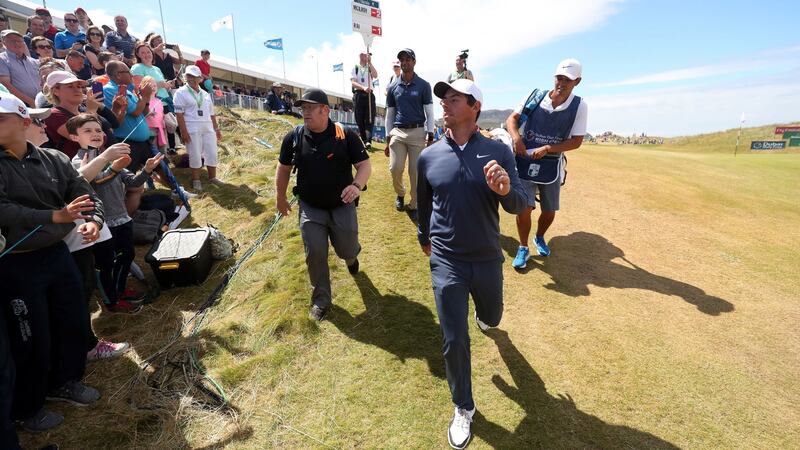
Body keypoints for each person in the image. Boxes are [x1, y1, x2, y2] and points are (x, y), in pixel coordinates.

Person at [416, 79, 527, 449]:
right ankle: (463, 407)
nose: (445, 104)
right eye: (443, 99)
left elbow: (520, 202)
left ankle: (485, 316)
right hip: (446, 260)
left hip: (486, 258)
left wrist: (506, 190)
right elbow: (424, 203)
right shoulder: (429, 155)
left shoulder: (497, 152)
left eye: (453, 98)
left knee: (492, 318)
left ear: (474, 106)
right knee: (453, 338)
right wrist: (424, 238)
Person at [0, 93, 103, 432]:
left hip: (57, 256)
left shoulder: (55, 158)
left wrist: (94, 222)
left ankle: (66, 381)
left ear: (23, 121)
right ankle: (26, 409)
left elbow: (83, 193)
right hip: (16, 266)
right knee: (31, 337)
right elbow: (5, 210)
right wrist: (55, 215)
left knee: (72, 319)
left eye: (1, 118)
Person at [274, 88, 371, 321]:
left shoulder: (345, 135)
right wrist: (280, 197)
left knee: (346, 248)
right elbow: (284, 168)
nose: (305, 113)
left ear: (325, 110)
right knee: (315, 252)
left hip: (342, 205)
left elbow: (365, 166)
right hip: (310, 207)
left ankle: (351, 257)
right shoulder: (294, 137)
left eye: (310, 108)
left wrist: (356, 185)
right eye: (303, 108)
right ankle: (321, 300)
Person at [507, 58, 588, 267]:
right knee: (524, 207)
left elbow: (576, 141)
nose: (561, 83)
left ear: (577, 81)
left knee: (549, 210)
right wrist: (516, 138)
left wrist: (549, 148)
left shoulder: (579, 106)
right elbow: (512, 120)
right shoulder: (535, 97)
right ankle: (523, 247)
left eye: (567, 80)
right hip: (525, 160)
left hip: (551, 163)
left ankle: (540, 236)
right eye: (559, 78)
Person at [384, 48, 434, 220]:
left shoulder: (424, 85)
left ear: (414, 62)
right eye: (402, 60)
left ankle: (415, 203)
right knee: (395, 168)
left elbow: (429, 112)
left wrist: (430, 134)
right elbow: (389, 114)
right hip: (397, 132)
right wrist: (387, 137)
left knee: (416, 172)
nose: (404, 62)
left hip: (418, 132)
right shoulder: (392, 87)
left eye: (407, 59)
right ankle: (400, 193)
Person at [174, 65, 222, 191]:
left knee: (211, 152)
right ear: (185, 77)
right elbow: (179, 115)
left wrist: (216, 129)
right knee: (194, 153)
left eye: (195, 77)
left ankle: (213, 177)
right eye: (189, 76)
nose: (192, 79)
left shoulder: (205, 94)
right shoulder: (180, 92)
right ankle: (196, 179)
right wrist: (183, 132)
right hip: (191, 126)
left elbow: (211, 114)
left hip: (207, 126)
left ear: (200, 78)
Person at [0, 30, 40, 107]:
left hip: (39, 103)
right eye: (12, 41)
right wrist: (30, 101)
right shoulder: (2, 59)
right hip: (20, 105)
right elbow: (6, 85)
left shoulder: (33, 61)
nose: (17, 43)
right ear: (4, 43)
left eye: (19, 40)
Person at [351, 52, 378, 148]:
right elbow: (353, 82)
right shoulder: (356, 68)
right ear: (360, 55)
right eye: (364, 54)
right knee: (359, 119)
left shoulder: (369, 67)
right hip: (359, 95)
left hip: (369, 95)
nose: (366, 56)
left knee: (369, 118)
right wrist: (363, 87)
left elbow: (375, 75)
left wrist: (370, 62)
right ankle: (364, 139)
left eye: (368, 55)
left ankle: (368, 141)